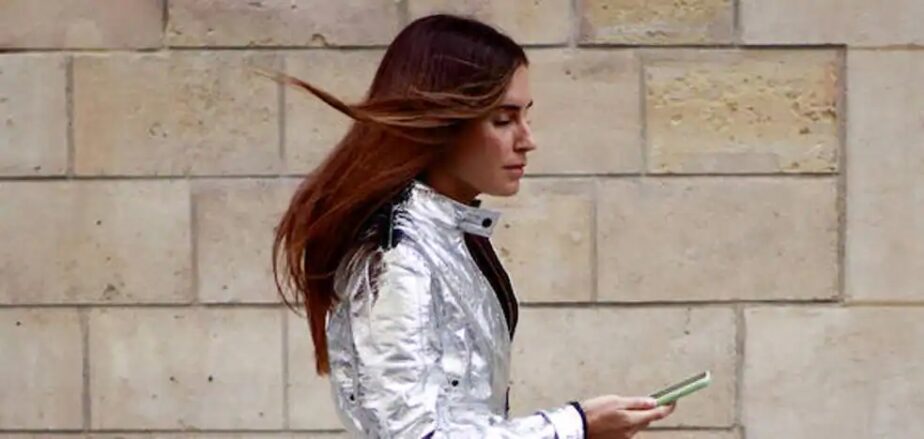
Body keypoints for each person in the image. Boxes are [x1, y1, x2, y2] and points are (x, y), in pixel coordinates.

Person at [272, 14, 676, 438]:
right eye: (503, 120)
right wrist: (575, 425)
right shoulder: (397, 256)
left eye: (526, 116)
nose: (527, 140)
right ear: (442, 122)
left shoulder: (447, 235)